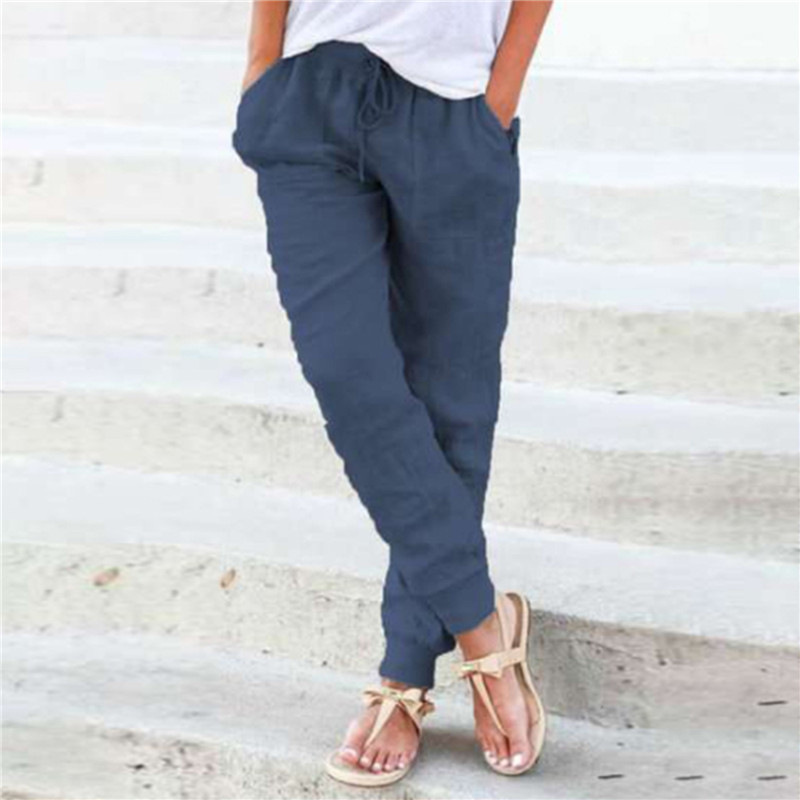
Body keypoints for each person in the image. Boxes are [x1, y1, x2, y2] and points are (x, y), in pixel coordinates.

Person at [233, 0, 553, 787]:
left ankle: (404, 675)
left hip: (455, 108)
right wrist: (263, 67)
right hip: (309, 95)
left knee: (452, 403)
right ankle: (482, 628)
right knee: (346, 370)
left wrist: (498, 96)